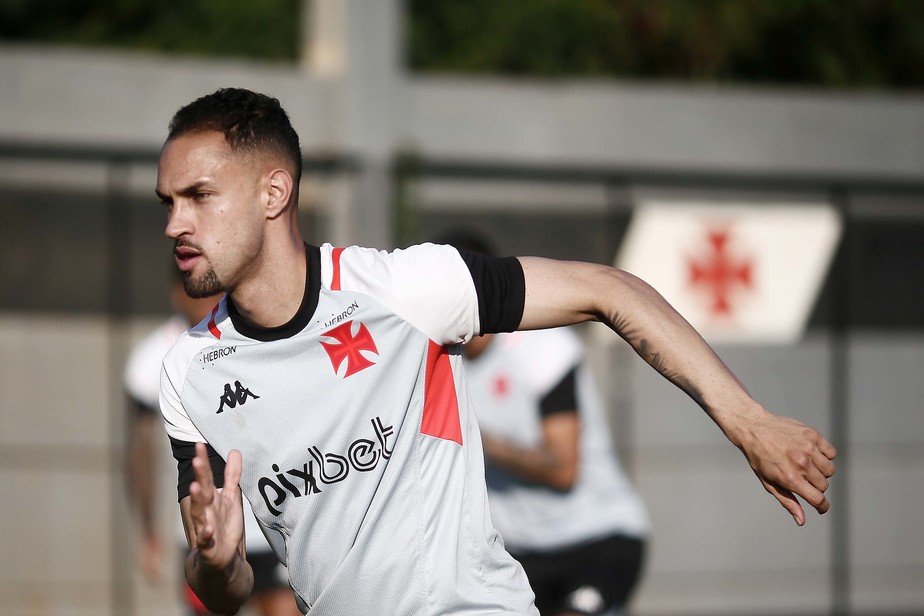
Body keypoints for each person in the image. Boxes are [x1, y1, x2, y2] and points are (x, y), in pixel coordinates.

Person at [154, 87, 836, 616]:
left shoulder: (405, 289)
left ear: (275, 192)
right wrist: (214, 563)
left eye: (198, 197)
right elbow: (226, 589)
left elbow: (609, 289)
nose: (174, 223)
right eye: (168, 202)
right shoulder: (189, 374)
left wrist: (747, 421)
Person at [441, 231, 648, 616]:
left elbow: (562, 468)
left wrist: (476, 440)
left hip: (595, 539)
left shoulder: (540, 346)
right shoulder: (436, 361)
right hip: (517, 555)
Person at [124, 270, 301, 616]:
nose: (207, 300)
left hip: (270, 527)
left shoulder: (258, 337)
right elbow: (138, 454)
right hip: (203, 535)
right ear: (177, 292)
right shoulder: (155, 359)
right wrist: (147, 533)